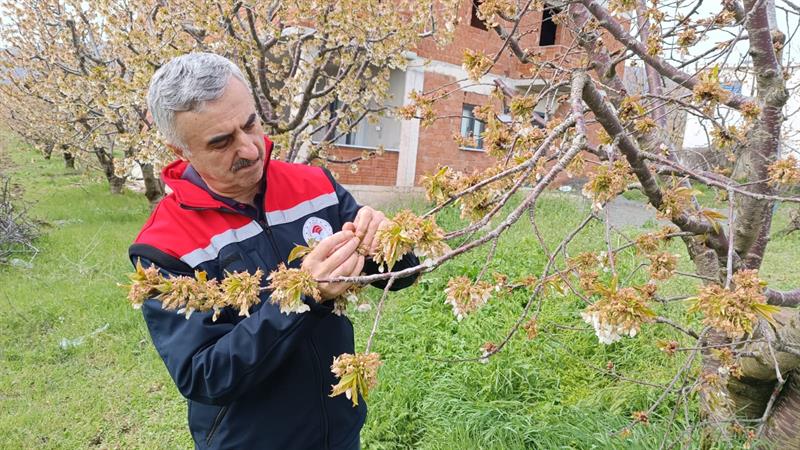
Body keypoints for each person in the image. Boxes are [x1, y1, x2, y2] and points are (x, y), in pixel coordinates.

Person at [129, 52, 419, 450]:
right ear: (182, 150)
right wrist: (303, 295)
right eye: (221, 142)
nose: (249, 149)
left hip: (339, 431)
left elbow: (401, 275)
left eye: (250, 123)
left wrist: (390, 241)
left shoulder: (314, 185)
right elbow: (203, 375)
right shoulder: (164, 245)